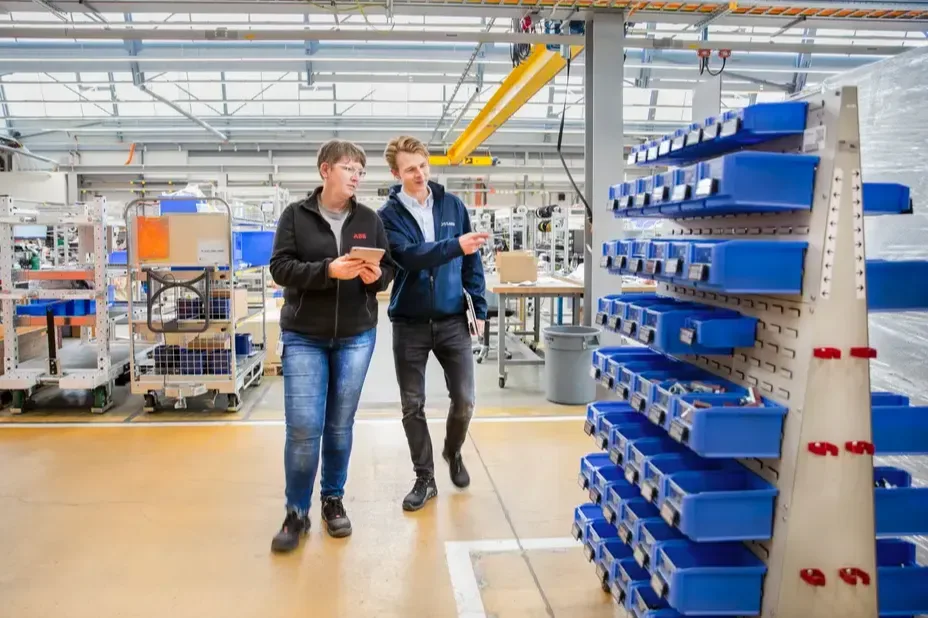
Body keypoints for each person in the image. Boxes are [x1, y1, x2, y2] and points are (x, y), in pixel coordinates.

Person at [268, 139, 393, 551]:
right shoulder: (295, 216)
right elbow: (280, 268)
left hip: (356, 335)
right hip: (304, 334)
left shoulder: (370, 219)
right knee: (304, 427)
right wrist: (328, 270)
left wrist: (376, 276)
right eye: (348, 167)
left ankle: (332, 499)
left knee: (339, 426)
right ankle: (296, 511)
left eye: (360, 168)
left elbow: (387, 269)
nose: (356, 175)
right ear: (325, 170)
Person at [377, 135, 489, 512]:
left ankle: (452, 450)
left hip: (453, 320)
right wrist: (456, 245)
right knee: (413, 405)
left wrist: (480, 310)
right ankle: (425, 479)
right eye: (410, 169)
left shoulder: (453, 206)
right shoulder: (387, 217)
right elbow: (410, 257)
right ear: (396, 173)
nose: (420, 174)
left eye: (423, 165)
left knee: (465, 400)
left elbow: (473, 264)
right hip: (408, 323)